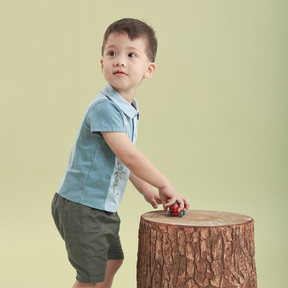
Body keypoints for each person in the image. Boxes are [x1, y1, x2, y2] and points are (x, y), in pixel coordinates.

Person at [51, 18, 190, 288]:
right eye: (112, 53)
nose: (120, 61)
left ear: (149, 69)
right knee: (90, 276)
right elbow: (130, 157)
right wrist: (163, 184)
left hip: (101, 207)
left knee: (112, 261)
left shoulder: (128, 109)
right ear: (102, 63)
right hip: (82, 207)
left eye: (131, 54)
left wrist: (146, 189)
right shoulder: (104, 108)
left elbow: (121, 159)